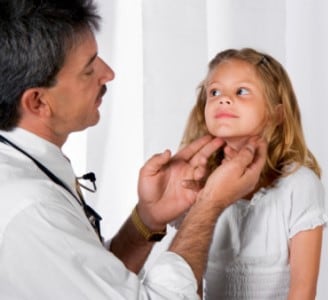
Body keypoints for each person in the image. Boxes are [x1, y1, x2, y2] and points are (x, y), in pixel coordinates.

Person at [0, 1, 267, 299]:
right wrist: (208, 206)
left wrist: (147, 220)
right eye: (89, 70)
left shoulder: (23, 173)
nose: (108, 74)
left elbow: (92, 285)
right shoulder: (32, 209)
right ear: (37, 102)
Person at [180, 48, 328, 299]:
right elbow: (187, 282)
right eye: (214, 92)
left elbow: (303, 291)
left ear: (276, 113)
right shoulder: (197, 182)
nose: (223, 99)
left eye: (242, 91)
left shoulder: (299, 185)